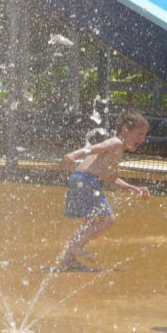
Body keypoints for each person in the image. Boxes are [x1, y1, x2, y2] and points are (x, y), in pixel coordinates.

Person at [58, 110, 150, 272]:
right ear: (125, 131)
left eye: (144, 136)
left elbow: (113, 180)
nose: (142, 139)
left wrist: (135, 189)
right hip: (87, 181)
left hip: (80, 179)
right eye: (139, 134)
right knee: (108, 220)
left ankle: (68, 260)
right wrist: (74, 154)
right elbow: (94, 148)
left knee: (91, 223)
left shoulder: (117, 152)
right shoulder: (116, 143)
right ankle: (74, 246)